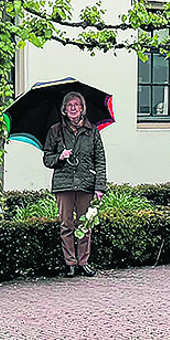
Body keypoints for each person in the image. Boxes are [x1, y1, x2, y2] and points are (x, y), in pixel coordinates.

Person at [46, 89, 108, 275]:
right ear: (64, 109)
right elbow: (47, 159)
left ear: (83, 109)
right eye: (69, 106)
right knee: (66, 225)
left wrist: (100, 186)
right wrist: (60, 156)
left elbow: (100, 160)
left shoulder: (92, 131)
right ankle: (70, 263)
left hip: (85, 184)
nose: (73, 109)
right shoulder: (55, 131)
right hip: (63, 184)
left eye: (77, 105)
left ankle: (83, 262)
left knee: (85, 225)